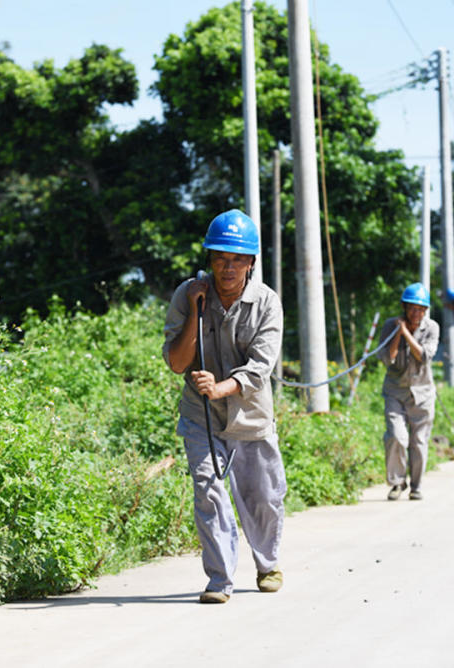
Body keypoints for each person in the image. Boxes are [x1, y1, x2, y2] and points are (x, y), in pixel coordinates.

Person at [162, 209, 286, 604]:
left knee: (262, 497)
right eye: (220, 257)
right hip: (202, 417)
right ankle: (220, 580)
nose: (227, 267)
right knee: (209, 490)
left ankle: (267, 564)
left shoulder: (267, 303)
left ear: (250, 262)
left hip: (249, 415)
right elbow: (178, 363)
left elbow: (260, 368)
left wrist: (221, 387)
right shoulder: (188, 294)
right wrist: (197, 312)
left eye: (236, 259)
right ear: (209, 259)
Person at [377, 282, 440, 501]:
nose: (416, 313)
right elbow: (388, 358)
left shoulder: (431, 328)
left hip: (422, 393)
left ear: (426, 311)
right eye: (412, 308)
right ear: (404, 307)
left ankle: (416, 485)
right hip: (395, 391)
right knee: (396, 436)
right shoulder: (389, 325)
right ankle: (397, 482)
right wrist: (398, 332)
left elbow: (423, 356)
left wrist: (406, 333)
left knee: (419, 442)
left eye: (421, 309)